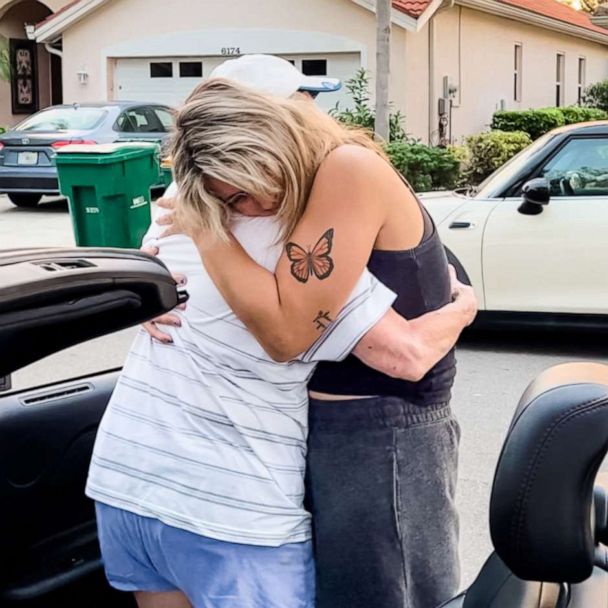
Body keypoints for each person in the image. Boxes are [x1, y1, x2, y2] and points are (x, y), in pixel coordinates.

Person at [87, 57, 476, 608]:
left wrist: (161, 269)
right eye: (227, 195)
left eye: (244, 191)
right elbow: (403, 352)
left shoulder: (208, 212)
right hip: (234, 501)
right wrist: (464, 310)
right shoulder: (246, 223)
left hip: (130, 479)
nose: (242, 206)